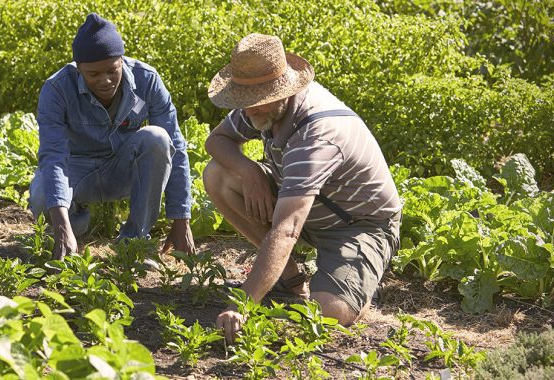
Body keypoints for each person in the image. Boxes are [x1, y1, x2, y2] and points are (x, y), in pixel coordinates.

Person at [203, 33, 401, 343]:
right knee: (219, 175)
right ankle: (290, 279)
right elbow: (215, 141)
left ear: (283, 89)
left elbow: (286, 230)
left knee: (328, 313)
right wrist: (249, 170)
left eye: (259, 99)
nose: (250, 110)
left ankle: (352, 284)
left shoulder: (317, 133)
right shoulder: (258, 106)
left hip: (357, 224)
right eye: (245, 100)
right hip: (300, 203)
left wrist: (242, 305)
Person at [29, 13, 194, 259]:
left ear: (121, 61)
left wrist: (181, 220)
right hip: (77, 171)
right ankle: (77, 226)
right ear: (79, 70)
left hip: (122, 169)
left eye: (112, 70)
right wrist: (62, 227)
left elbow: (176, 147)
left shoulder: (147, 80)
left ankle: (134, 242)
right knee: (43, 195)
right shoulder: (57, 89)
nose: (105, 80)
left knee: (157, 138)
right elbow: (54, 157)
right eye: (93, 74)